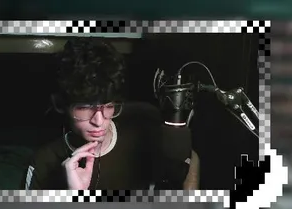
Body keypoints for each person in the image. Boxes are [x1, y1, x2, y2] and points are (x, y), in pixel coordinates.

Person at [24, 38, 199, 191]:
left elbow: (189, 157)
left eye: (108, 106)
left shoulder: (143, 122)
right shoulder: (44, 162)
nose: (99, 121)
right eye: (84, 108)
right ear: (61, 104)